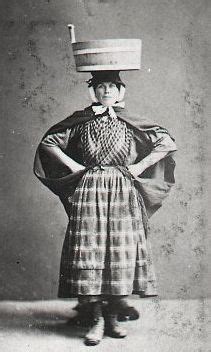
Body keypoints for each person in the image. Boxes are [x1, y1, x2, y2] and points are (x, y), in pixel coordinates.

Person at [34, 70, 177, 346]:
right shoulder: (82, 121)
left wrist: (139, 166)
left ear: (121, 91)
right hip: (90, 191)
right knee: (92, 250)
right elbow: (49, 142)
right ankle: (96, 318)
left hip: (123, 190)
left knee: (119, 251)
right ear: (94, 92)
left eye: (113, 86)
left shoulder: (130, 122)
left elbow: (166, 142)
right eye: (101, 87)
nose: (107, 91)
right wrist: (75, 167)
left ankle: (113, 315)